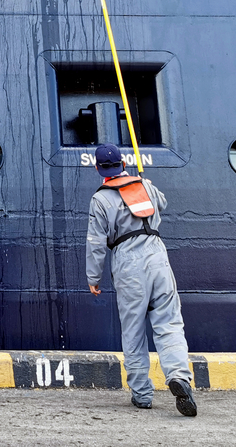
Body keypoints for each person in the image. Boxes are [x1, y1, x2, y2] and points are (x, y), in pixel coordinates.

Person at [86, 143, 197, 417]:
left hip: (128, 261)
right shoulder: (144, 185)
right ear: (123, 163)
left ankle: (142, 394)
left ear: (99, 168)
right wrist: (146, 182)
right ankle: (179, 376)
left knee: (133, 330)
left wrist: (93, 277)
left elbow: (96, 242)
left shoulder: (100, 199)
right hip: (157, 255)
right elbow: (162, 202)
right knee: (169, 322)